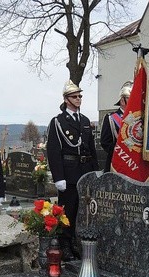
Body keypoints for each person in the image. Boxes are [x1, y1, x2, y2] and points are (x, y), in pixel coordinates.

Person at [46, 80, 99, 261]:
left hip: (85, 170)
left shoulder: (84, 121)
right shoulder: (58, 122)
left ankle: (76, 242)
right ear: (66, 99)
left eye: (80, 96)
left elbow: (91, 149)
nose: (78, 99)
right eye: (75, 97)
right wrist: (58, 177)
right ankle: (65, 244)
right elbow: (53, 151)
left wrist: (95, 172)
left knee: (82, 211)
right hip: (69, 173)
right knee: (68, 211)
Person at [100, 81, 132, 172]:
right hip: (117, 161)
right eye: (131, 98)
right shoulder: (111, 118)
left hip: (135, 164)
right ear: (122, 100)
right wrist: (121, 152)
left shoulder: (138, 118)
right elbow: (105, 142)